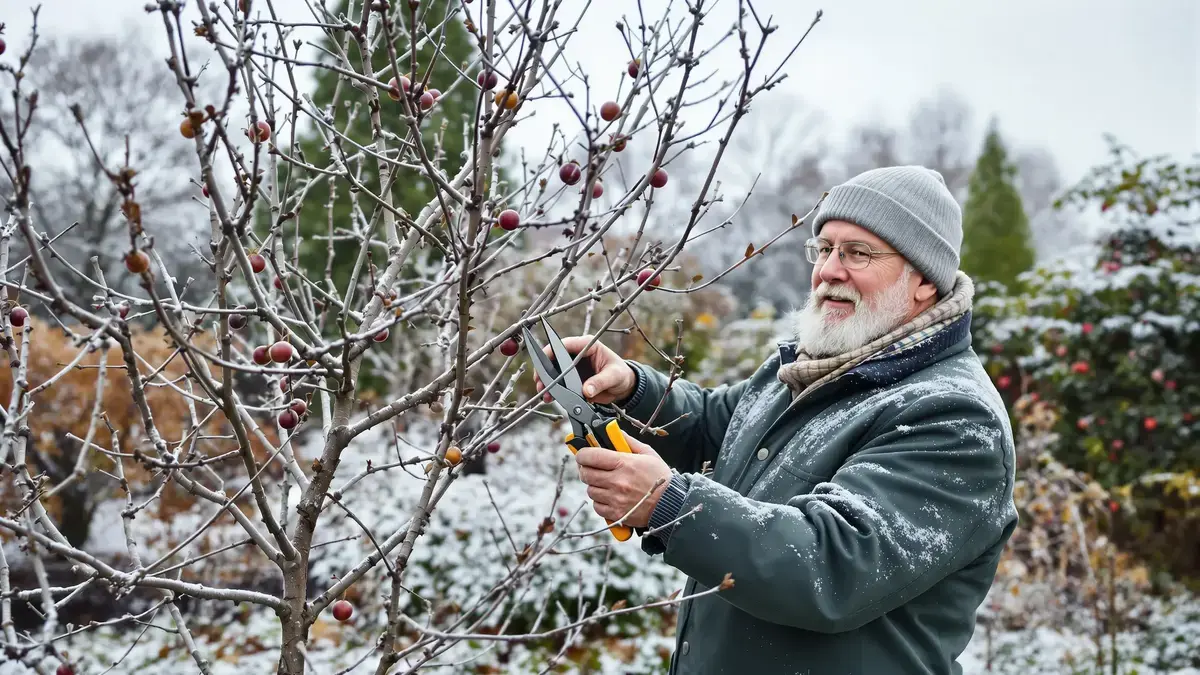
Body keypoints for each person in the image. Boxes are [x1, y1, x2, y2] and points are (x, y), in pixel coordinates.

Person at [535, 165, 1018, 674]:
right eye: (826, 248)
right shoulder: (815, 365)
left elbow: (833, 566)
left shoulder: (956, 421)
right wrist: (634, 390)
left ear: (923, 281)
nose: (830, 270)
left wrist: (668, 505)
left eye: (858, 253)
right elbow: (720, 426)